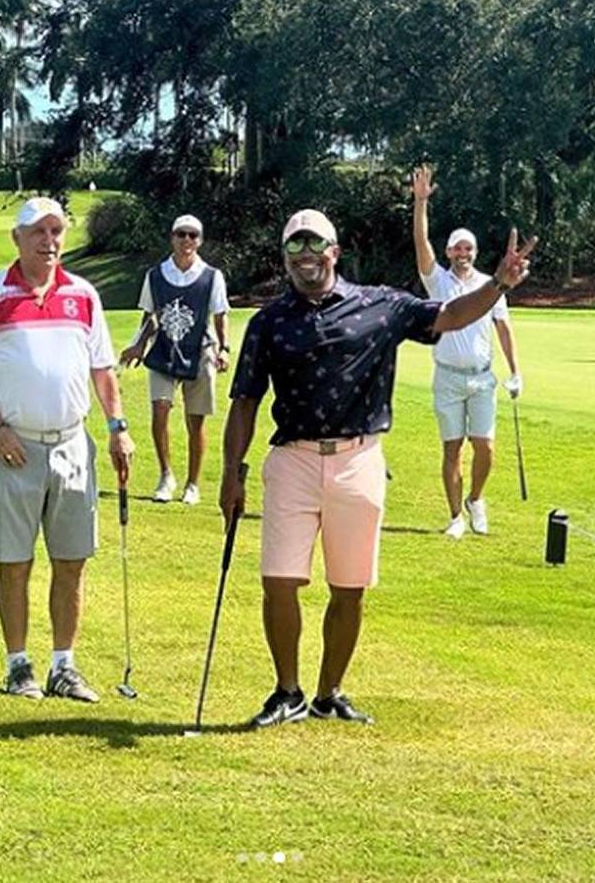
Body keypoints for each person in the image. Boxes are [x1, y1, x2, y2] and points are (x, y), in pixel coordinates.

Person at [220, 209, 534, 729]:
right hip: (292, 458)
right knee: (279, 580)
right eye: (294, 248)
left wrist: (499, 284)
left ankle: (328, 693)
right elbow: (245, 402)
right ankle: (288, 691)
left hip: (358, 459)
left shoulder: (380, 305)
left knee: (349, 587)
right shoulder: (268, 322)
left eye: (313, 246)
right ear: (285, 258)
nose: (304, 256)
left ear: (334, 252)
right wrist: (232, 472)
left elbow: (450, 316)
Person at [0, 196, 135, 702]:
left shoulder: (83, 295)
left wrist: (118, 426)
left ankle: (64, 665)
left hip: (73, 444)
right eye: (38, 232)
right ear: (17, 238)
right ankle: (18, 665)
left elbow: (103, 368)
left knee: (72, 560)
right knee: (15, 562)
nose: (49, 241)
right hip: (14, 447)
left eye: (56, 232)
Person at [412, 166, 522, 538]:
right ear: (448, 252)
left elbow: (503, 328)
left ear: (475, 253)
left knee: (485, 447)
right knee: (452, 449)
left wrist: (515, 371)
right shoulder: (437, 280)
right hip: (447, 377)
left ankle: (477, 499)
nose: (463, 253)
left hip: (482, 377)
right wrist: (421, 203)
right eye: (458, 248)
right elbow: (420, 244)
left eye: (469, 248)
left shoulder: (490, 286)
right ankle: (456, 516)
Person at [119, 214, 231, 505]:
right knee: (160, 410)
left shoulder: (211, 276)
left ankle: (193, 483)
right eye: (181, 234)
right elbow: (150, 317)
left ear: (200, 240)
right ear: (172, 238)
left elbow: (220, 315)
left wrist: (224, 348)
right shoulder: (156, 275)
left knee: (196, 421)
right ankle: (166, 475)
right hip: (164, 350)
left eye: (193, 235)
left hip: (200, 351)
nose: (187, 241)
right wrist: (138, 346)